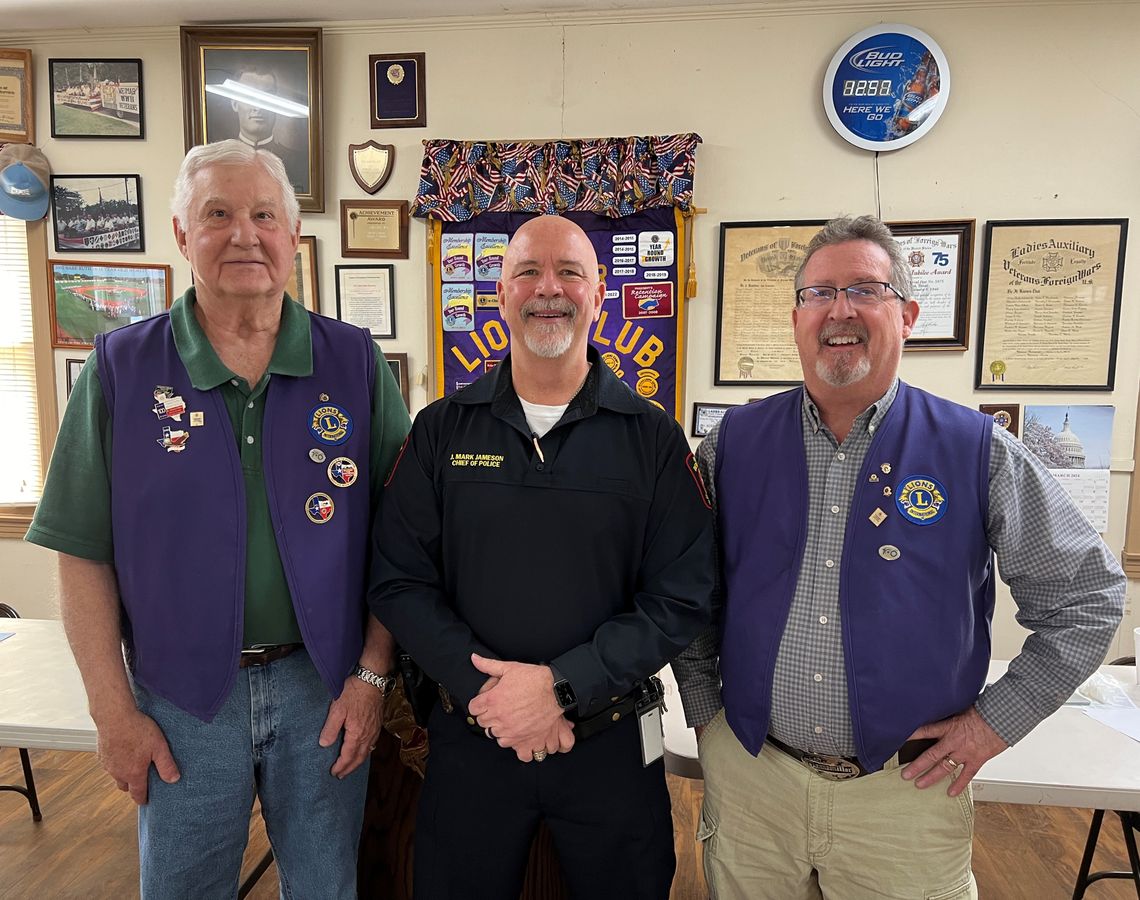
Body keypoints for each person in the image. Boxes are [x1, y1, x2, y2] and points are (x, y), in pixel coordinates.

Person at [674, 215, 1126, 900]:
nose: (840, 310)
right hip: (754, 783)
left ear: (908, 314)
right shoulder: (733, 443)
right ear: (796, 318)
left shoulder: (976, 449)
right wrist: (705, 710)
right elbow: (687, 592)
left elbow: (1088, 599)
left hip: (905, 795)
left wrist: (991, 725)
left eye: (865, 289)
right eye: (818, 293)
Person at [26, 140, 411, 899]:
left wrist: (371, 677)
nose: (245, 234)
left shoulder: (355, 365)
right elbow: (81, 553)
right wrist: (113, 711)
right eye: (218, 214)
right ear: (180, 234)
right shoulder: (118, 371)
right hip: (179, 698)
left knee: (328, 887)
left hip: (324, 688)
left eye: (264, 214)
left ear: (292, 236)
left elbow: (404, 540)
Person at [369, 214, 715, 899]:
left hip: (612, 743)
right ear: (500, 295)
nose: (547, 289)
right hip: (474, 739)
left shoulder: (650, 437)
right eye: (527, 272)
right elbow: (399, 580)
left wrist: (562, 686)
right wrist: (496, 698)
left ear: (599, 293)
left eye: (569, 273)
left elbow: (681, 595)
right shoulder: (442, 428)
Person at [228, 67, 309, 195]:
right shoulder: (221, 161)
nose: (258, 107)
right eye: (249, 97)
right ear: (234, 104)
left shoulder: (299, 162)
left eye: (266, 97)